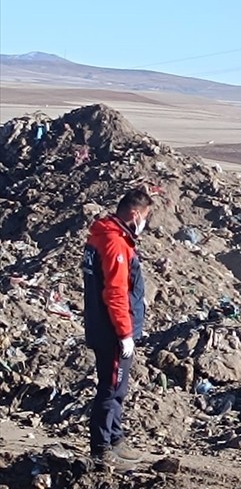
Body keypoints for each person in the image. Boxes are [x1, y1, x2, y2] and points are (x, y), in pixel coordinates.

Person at [83, 188, 152, 469]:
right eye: (145, 217)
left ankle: (115, 439)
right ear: (135, 214)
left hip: (106, 326)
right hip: (111, 330)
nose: (145, 223)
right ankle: (102, 449)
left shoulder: (108, 237)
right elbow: (115, 293)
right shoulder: (113, 243)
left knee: (117, 388)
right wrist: (125, 333)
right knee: (110, 389)